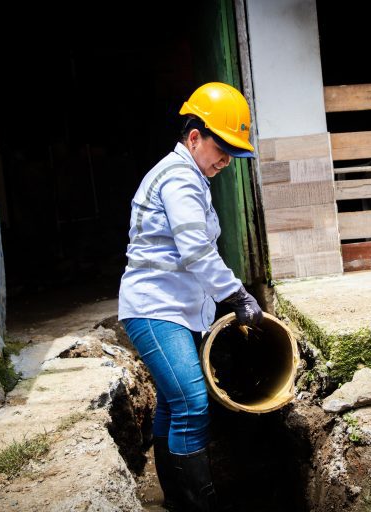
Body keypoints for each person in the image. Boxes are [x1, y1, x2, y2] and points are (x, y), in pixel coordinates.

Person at [118, 82, 263, 511]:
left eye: (234, 152)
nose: (226, 160)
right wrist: (237, 295)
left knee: (173, 401)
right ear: (194, 136)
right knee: (192, 402)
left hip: (172, 308)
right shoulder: (179, 178)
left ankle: (176, 502)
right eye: (222, 147)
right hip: (154, 309)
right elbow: (197, 250)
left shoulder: (191, 177)